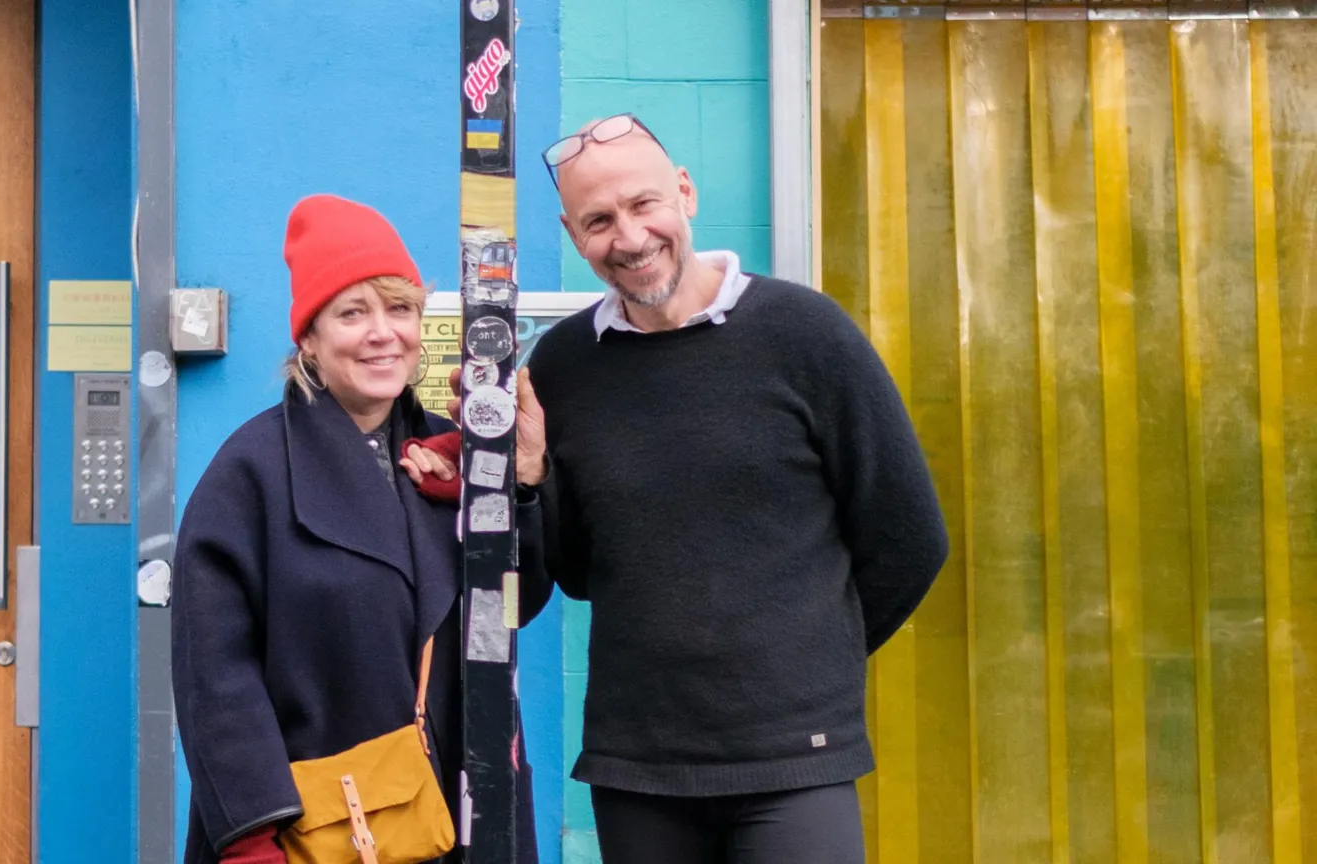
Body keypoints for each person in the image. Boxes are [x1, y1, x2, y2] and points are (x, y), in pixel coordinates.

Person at [521, 114, 949, 863]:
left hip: (795, 759)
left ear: (684, 192)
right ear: (571, 231)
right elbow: (578, 570)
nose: (628, 237)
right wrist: (527, 481)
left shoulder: (805, 333)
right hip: (638, 762)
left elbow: (909, 535)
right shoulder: (563, 366)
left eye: (643, 204)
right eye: (598, 221)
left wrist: (808, 659)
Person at [171, 193, 548, 864]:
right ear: (309, 341)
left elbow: (520, 604)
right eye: (352, 312)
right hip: (313, 829)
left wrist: (515, 485)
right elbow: (214, 672)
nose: (383, 333)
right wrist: (253, 836)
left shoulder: (458, 453)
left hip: (458, 811)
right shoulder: (249, 473)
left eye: (399, 308)